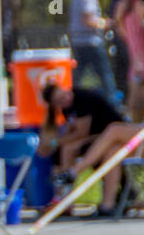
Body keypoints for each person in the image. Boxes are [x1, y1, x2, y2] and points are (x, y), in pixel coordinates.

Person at [55, 45, 144, 216]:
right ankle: (107, 205)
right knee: (114, 149)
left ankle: (75, 171)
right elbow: (135, 107)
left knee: (114, 130)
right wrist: (137, 79)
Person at [40, 83, 126, 216]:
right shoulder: (67, 108)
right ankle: (63, 196)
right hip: (96, 137)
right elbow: (71, 131)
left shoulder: (80, 98)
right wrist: (53, 144)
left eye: (65, 95)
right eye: (60, 101)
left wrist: (54, 142)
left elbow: (81, 133)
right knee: (62, 151)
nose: (66, 99)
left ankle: (69, 182)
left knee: (68, 149)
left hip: (109, 136)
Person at [68, 0, 120, 105]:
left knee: (77, 78)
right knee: (106, 77)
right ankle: (114, 105)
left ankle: (71, 101)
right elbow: (88, 19)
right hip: (90, 42)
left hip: (79, 42)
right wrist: (106, 23)